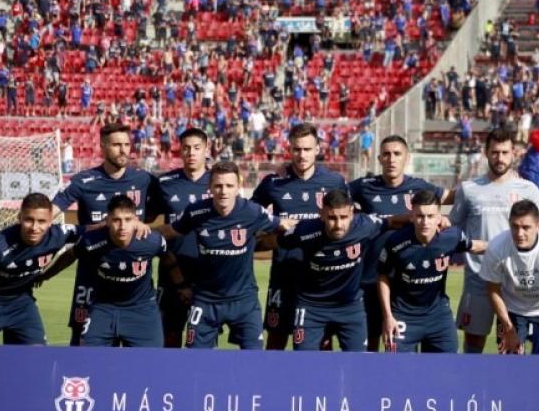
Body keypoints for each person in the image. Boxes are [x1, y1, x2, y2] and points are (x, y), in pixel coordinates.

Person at [154, 162, 296, 349]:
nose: (223, 191)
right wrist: (139, 232)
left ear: (238, 186)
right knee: (194, 360)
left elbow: (284, 226)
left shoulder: (252, 211)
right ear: (210, 187)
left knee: (255, 360)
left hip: (244, 301)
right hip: (205, 301)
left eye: (229, 186)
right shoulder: (196, 211)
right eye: (218, 186)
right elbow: (171, 231)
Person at [51, 122, 159, 346]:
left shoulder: (144, 179)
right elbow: (50, 212)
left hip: (135, 287)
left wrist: (144, 223)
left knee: (142, 360)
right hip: (92, 284)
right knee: (85, 354)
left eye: (127, 144)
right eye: (116, 145)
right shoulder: (84, 180)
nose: (123, 150)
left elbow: (169, 209)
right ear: (103, 146)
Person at [449, 128, 539, 353]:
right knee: (473, 345)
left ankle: (511, 389)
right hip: (478, 281)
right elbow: (452, 228)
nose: (500, 158)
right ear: (486, 153)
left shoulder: (529, 190)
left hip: (516, 283)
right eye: (495, 152)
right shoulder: (469, 189)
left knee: (513, 347)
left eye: (505, 152)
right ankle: (472, 389)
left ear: (514, 153)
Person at [267, 190, 403, 351]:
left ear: (352, 213)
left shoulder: (365, 225)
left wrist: (431, 221)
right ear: (322, 214)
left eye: (343, 217)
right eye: (332, 218)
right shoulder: (305, 231)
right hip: (311, 307)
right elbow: (271, 241)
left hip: (350, 306)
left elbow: (392, 221)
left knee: (359, 362)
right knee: (303, 362)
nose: (338, 224)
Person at [251, 122, 346, 350]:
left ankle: (320, 386)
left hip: (322, 276)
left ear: (317, 149)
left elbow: (346, 222)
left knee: (323, 342)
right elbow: (249, 215)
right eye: (296, 149)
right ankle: (270, 387)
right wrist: (275, 225)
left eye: (306, 149)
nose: (301, 155)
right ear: (289, 149)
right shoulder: (274, 183)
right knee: (277, 338)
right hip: (284, 274)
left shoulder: (334, 182)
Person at [348, 135, 446, 351]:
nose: (391, 159)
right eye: (386, 154)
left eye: (397, 154)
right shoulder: (363, 186)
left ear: (406, 158)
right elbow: (332, 200)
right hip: (370, 277)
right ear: (379, 158)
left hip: (407, 281)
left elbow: (449, 197)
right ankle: (371, 383)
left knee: (403, 343)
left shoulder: (420, 187)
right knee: (370, 341)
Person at [0, 193, 82, 345]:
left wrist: (113, 223)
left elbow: (92, 230)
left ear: (51, 221)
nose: (34, 227)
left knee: (36, 355)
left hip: (21, 303)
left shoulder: (58, 235)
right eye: (29, 220)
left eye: (41, 221)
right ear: (19, 217)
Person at [47, 196, 168, 347]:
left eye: (128, 220)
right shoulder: (91, 241)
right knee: (88, 359)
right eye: (116, 220)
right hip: (103, 308)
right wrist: (47, 274)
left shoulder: (151, 241)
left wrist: (182, 284)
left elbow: (169, 257)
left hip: (141, 309)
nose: (122, 226)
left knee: (149, 364)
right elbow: (71, 254)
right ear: (108, 220)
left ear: (136, 220)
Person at [379, 190, 485, 353]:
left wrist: (510, 246)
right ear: (412, 216)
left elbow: (476, 246)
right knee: (396, 371)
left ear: (439, 217)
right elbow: (383, 276)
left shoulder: (451, 237)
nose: (425, 222)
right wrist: (387, 317)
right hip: (404, 316)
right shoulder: (395, 242)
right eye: (420, 216)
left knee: (445, 371)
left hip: (438, 317)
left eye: (430, 216)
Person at [480, 199, 539, 355]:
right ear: (509, 223)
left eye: (526, 227)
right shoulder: (497, 247)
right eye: (515, 226)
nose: (520, 233)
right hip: (513, 309)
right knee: (509, 359)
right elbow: (493, 290)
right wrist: (508, 328)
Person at [151, 128, 211, 348]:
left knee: (202, 339)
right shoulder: (165, 182)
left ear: (206, 149)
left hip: (207, 273)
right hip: (171, 271)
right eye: (186, 148)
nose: (191, 153)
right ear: (180, 151)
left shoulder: (219, 182)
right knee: (169, 336)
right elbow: (146, 217)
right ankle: (168, 381)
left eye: (197, 148)